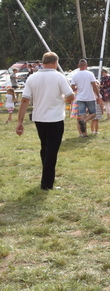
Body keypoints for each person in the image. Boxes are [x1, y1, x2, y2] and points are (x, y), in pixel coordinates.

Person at [15, 52, 74, 190]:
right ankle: (47, 183)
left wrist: (19, 122)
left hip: (39, 118)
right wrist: (63, 98)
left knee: (45, 148)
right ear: (55, 63)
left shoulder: (32, 78)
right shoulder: (59, 76)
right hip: (55, 118)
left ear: (42, 62)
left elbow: (24, 100)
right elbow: (71, 96)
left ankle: (47, 177)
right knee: (51, 151)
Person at [70, 59, 101, 138]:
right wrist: (98, 96)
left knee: (82, 115)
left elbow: (72, 87)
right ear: (86, 66)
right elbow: (94, 85)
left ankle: (84, 134)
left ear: (78, 66)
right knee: (93, 113)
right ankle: (84, 121)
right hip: (90, 97)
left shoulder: (75, 75)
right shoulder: (90, 74)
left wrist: (77, 87)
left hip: (80, 98)